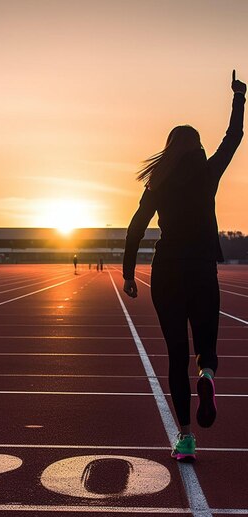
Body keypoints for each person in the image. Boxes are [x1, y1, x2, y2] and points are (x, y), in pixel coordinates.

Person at [123, 70, 246, 461]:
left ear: (169, 148)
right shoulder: (208, 173)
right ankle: (207, 377)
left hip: (167, 273)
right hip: (201, 270)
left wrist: (128, 273)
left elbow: (136, 227)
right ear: (195, 148)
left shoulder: (157, 181)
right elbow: (234, 138)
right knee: (205, 346)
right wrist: (239, 98)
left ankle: (186, 437)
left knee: (177, 354)